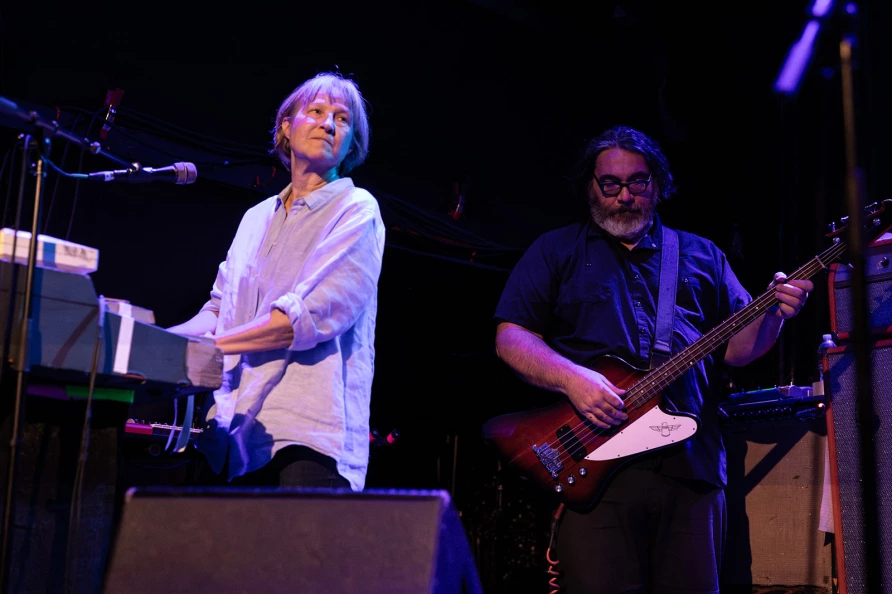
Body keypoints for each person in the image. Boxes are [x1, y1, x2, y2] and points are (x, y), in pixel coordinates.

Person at [491, 125, 812, 593]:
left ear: (657, 184)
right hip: (596, 470)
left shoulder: (702, 255)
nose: (624, 196)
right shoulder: (556, 250)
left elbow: (739, 351)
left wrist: (775, 316)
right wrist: (573, 379)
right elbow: (511, 338)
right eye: (610, 184)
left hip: (691, 470)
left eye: (637, 182)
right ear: (591, 187)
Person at [167, 71, 385, 492]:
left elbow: (301, 321)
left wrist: (209, 349)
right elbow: (220, 309)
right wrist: (156, 342)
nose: (328, 124)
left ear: (351, 142)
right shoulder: (255, 218)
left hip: (305, 440)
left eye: (342, 119)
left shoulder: (356, 209)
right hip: (230, 436)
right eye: (316, 111)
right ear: (287, 126)